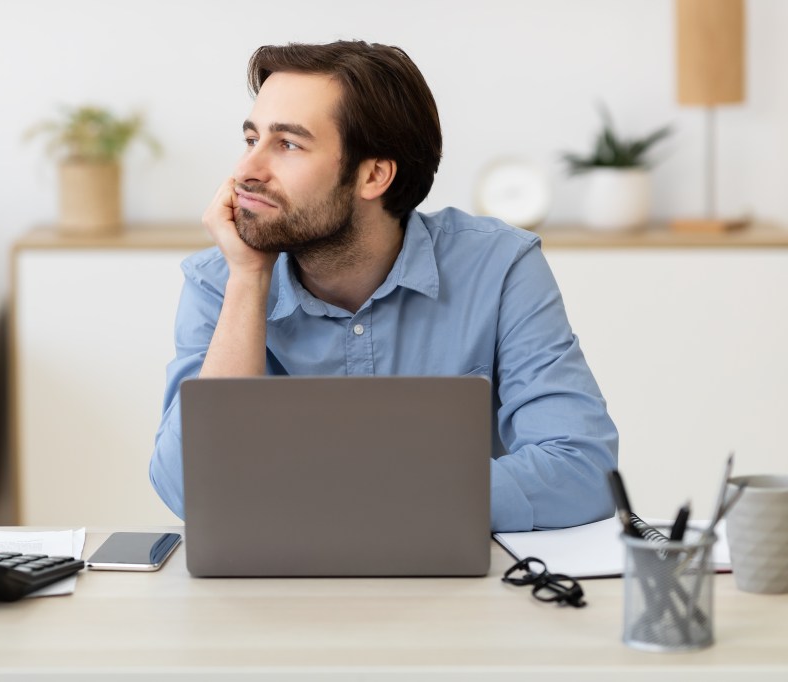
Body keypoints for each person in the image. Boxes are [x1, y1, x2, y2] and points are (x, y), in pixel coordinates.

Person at [149, 40, 618, 532]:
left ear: (373, 175)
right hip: (271, 596)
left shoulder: (499, 267)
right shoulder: (219, 278)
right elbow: (188, 487)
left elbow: (582, 470)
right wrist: (248, 278)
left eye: (287, 144)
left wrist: (345, 499)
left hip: (458, 596)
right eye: (251, 140)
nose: (245, 171)